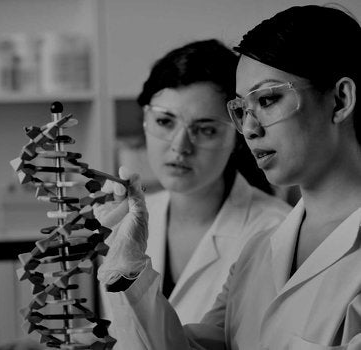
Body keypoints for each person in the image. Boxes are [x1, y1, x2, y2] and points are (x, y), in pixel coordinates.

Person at [96, 4, 361, 350]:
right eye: (242, 110)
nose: (249, 129)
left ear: (340, 100)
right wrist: (128, 271)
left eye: (267, 100)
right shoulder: (257, 254)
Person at [99, 39, 290, 326]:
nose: (181, 146)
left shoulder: (277, 232)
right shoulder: (123, 223)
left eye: (206, 130)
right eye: (165, 122)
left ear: (237, 135)